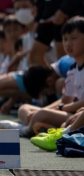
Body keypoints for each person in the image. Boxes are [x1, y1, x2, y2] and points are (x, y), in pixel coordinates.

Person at [24, 17, 84, 149]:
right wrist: (57, 109)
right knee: (24, 109)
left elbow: (68, 105)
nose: (68, 43)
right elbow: (65, 100)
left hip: (79, 113)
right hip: (76, 113)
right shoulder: (72, 69)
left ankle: (58, 135)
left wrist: (62, 108)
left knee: (42, 115)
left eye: (74, 38)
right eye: (65, 39)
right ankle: (55, 130)